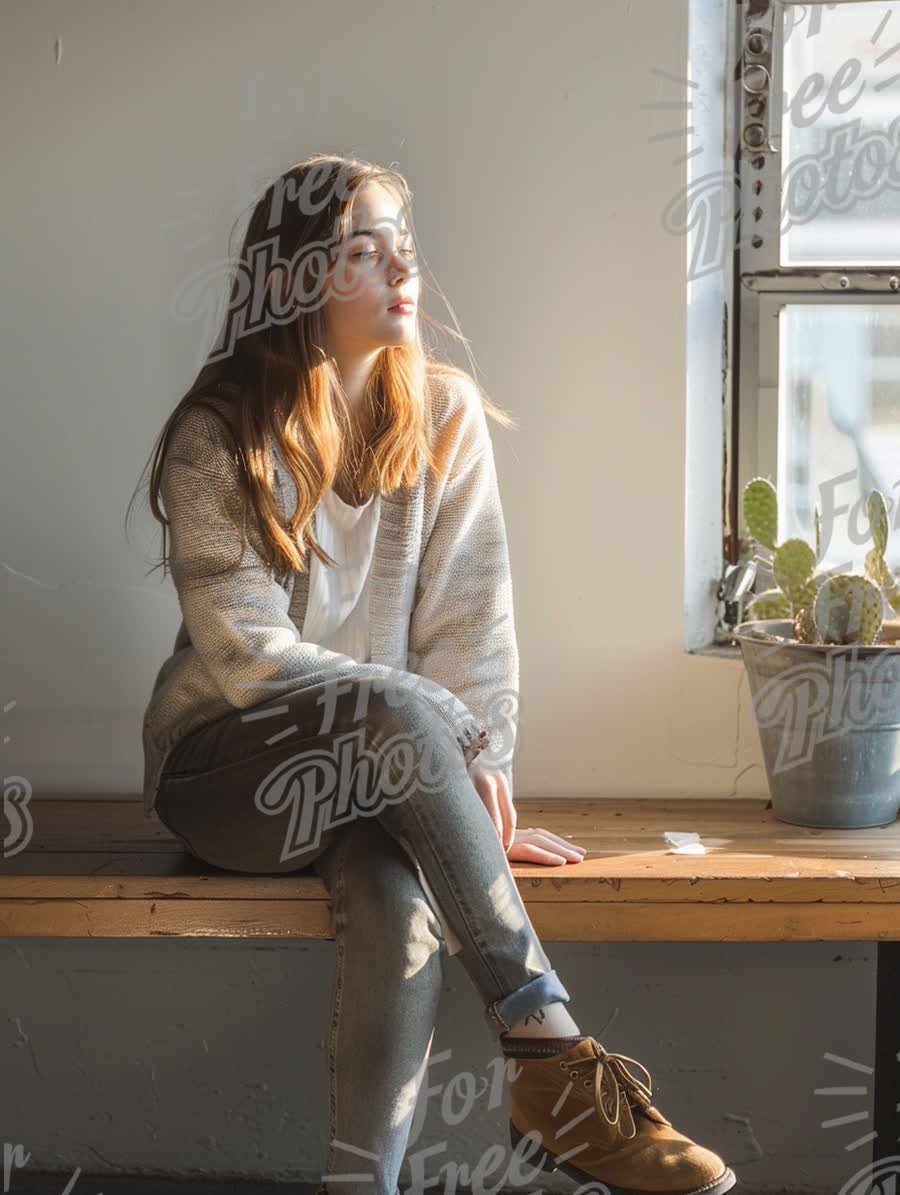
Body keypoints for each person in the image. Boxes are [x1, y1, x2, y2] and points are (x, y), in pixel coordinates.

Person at [130, 154, 736, 1195]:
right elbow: (248, 656)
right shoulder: (216, 434)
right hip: (225, 776)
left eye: (403, 244)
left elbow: (473, 622)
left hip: (384, 774)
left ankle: (363, 1184)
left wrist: (467, 773)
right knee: (385, 707)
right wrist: (441, 737)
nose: (401, 268)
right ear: (297, 279)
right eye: (363, 250)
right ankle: (554, 1059)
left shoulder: (443, 417)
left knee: (395, 889)